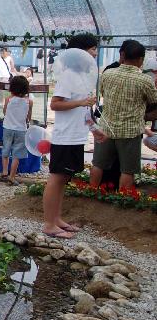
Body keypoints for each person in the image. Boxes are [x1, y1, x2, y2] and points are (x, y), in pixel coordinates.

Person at [43, 34, 100, 239]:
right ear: (79, 53)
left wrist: (94, 128)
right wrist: (80, 102)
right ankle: (49, 224)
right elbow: (55, 104)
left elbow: (84, 111)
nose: (95, 53)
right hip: (64, 138)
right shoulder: (68, 76)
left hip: (76, 137)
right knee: (56, 178)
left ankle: (57, 219)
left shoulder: (82, 78)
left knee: (64, 179)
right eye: (92, 49)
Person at [89, 40, 157, 191]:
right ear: (141, 59)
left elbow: (103, 94)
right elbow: (154, 101)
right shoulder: (145, 80)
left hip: (106, 128)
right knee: (127, 170)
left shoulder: (107, 74)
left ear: (123, 55)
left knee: (98, 164)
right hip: (130, 131)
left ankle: (90, 195)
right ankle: (122, 200)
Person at [0, 76, 32, 186]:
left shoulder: (8, 99)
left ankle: (4, 172)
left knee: (6, 149)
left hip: (8, 127)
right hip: (21, 130)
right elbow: (28, 118)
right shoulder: (29, 102)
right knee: (17, 154)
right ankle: (12, 176)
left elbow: (5, 112)